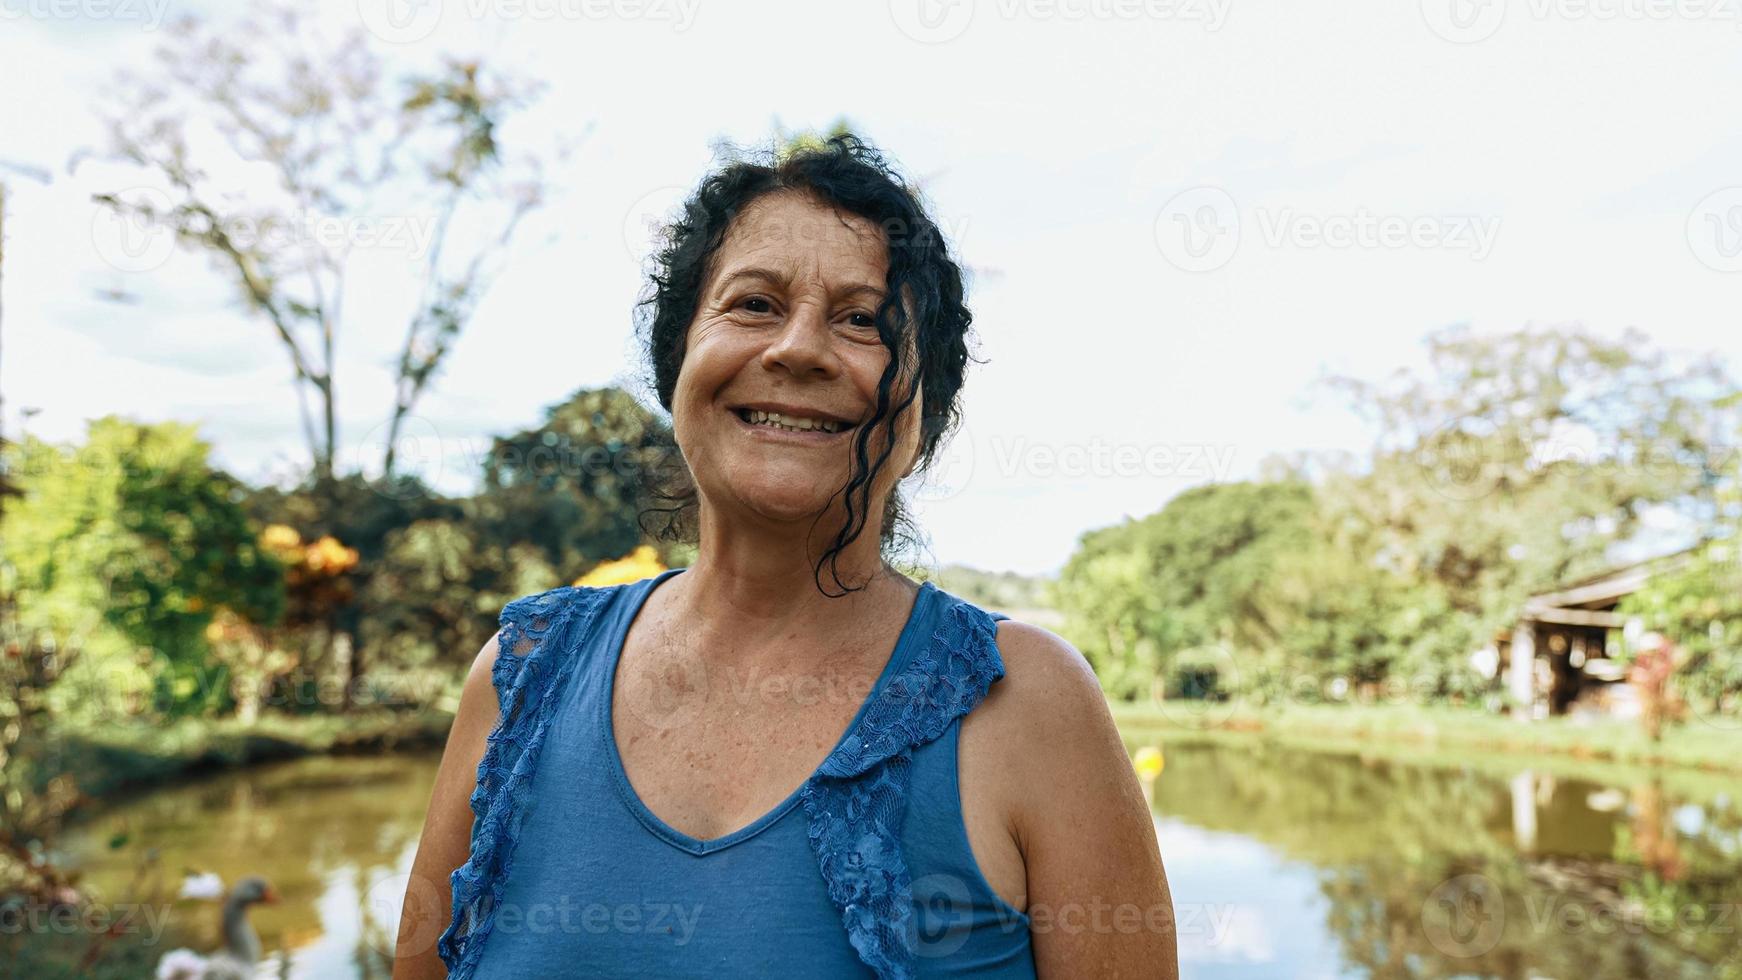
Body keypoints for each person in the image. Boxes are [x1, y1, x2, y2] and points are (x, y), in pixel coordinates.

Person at [393, 134, 1177, 979]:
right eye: (755, 305)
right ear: (679, 361)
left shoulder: (1030, 703)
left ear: (928, 410)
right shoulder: (521, 679)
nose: (798, 349)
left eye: (863, 321)